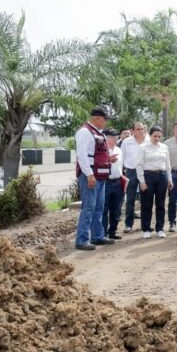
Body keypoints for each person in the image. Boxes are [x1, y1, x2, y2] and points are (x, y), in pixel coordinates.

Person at [74, 106, 116, 250]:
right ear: (97, 118)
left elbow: (97, 155)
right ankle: (82, 239)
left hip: (100, 175)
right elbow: (82, 156)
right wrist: (89, 174)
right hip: (90, 176)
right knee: (89, 208)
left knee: (99, 207)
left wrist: (109, 159)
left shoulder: (99, 133)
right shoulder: (84, 132)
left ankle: (97, 236)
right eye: (105, 119)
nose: (106, 122)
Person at [137, 125, 173, 239]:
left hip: (162, 176)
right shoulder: (143, 147)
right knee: (146, 204)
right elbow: (139, 165)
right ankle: (146, 229)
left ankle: (160, 228)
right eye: (155, 136)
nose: (157, 138)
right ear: (150, 135)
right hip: (148, 176)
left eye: (159, 136)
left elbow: (168, 165)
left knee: (161, 204)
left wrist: (169, 179)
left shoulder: (164, 147)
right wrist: (142, 181)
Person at [121, 122, 147, 232]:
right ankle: (128, 224)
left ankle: (145, 225)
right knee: (130, 199)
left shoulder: (149, 140)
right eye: (138, 129)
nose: (140, 131)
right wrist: (122, 173)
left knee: (145, 199)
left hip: (145, 172)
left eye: (142, 129)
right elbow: (122, 158)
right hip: (131, 172)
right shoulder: (126, 142)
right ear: (133, 131)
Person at [101, 129, 124, 240]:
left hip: (118, 182)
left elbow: (121, 166)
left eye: (116, 137)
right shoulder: (102, 150)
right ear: (106, 138)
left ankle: (112, 232)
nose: (115, 139)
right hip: (106, 182)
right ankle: (103, 233)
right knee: (104, 209)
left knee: (116, 209)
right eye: (112, 137)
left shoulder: (119, 150)